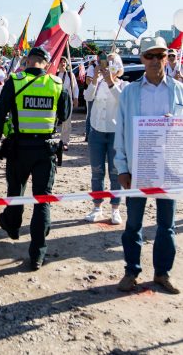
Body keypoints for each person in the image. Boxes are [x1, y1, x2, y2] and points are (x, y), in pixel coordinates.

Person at [0, 46, 71, 270]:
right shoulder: (56, 84)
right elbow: (65, 114)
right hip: (45, 150)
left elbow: (0, 115)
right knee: (42, 200)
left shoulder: (14, 81)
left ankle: (13, 226)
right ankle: (37, 254)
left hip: (19, 148)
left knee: (15, 192)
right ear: (45, 63)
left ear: (27, 61)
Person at [115, 37, 182, 294]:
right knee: (133, 224)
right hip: (137, 170)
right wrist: (122, 167)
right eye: (149, 56)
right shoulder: (130, 92)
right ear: (142, 58)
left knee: (167, 225)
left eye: (160, 56)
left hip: (170, 170)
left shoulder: (178, 90)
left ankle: (162, 273)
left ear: (167, 57)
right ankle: (131, 271)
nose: (155, 61)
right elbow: (120, 131)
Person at [83, 53, 128, 225]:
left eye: (111, 63)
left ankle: (115, 209)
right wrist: (95, 77)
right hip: (97, 132)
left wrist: (110, 81)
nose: (107, 66)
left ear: (118, 67)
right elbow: (87, 97)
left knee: (115, 173)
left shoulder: (124, 85)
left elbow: (122, 100)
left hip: (115, 134)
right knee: (97, 172)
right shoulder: (98, 82)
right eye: (105, 63)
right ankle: (97, 208)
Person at [56, 56, 79, 150]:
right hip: (56, 101)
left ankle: (64, 141)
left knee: (67, 122)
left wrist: (76, 98)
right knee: (53, 121)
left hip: (67, 101)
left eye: (64, 62)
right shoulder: (55, 74)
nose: (63, 63)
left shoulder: (70, 75)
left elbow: (75, 87)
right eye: (61, 62)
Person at [84, 54, 99, 141]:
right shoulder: (92, 67)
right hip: (92, 93)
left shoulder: (106, 67)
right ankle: (88, 135)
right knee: (90, 114)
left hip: (101, 93)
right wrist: (96, 78)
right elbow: (87, 80)